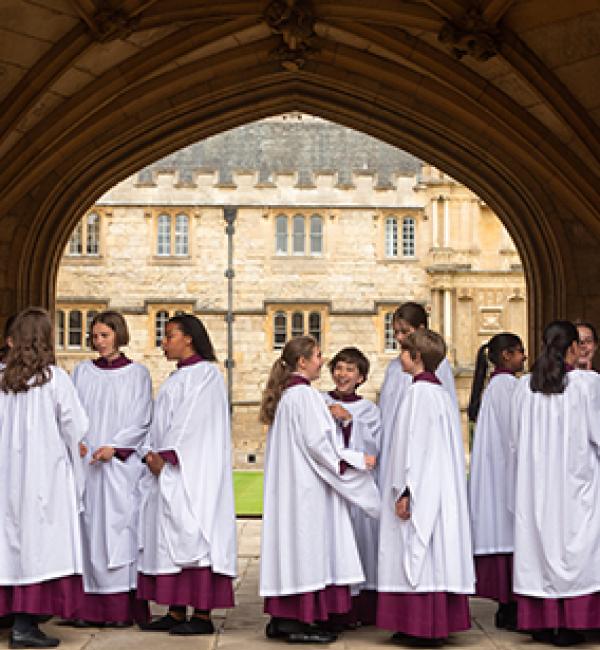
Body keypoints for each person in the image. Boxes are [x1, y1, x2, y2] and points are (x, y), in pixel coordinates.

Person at [260, 336, 380, 644]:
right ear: (303, 362)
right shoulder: (305, 396)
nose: (322, 361)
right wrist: (356, 461)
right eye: (318, 356)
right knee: (309, 549)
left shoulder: (289, 396)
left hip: (295, 487)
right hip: (307, 491)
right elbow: (320, 446)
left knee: (295, 550)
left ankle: (283, 617)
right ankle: (300, 620)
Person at [137, 314, 236, 635]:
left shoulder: (206, 375)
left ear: (189, 338)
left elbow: (194, 422)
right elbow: (160, 421)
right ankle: (176, 610)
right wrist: (151, 451)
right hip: (166, 471)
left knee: (196, 532)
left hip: (193, 472)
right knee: (169, 539)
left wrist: (166, 455)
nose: (163, 343)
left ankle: (203, 616)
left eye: (169, 336)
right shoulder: (175, 378)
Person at [377, 329, 474, 646]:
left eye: (403, 351)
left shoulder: (420, 395)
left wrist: (407, 492)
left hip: (422, 489)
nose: (399, 357)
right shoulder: (441, 395)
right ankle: (415, 623)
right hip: (437, 487)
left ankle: (421, 625)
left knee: (421, 554)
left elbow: (416, 450)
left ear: (415, 357)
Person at [0, 308, 89, 648]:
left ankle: (15, 618)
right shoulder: (55, 379)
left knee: (11, 544)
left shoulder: (2, 378)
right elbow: (77, 426)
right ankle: (25, 624)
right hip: (42, 478)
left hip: (7, 478)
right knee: (37, 548)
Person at [509, 320, 600, 646]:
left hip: (536, 484)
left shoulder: (525, 387)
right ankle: (573, 622)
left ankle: (543, 621)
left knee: (539, 545)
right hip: (575, 483)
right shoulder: (587, 385)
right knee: (576, 548)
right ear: (573, 347)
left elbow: (515, 439)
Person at [70, 311, 152, 626]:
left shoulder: (137, 374)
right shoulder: (81, 372)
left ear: (118, 334)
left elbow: (141, 418)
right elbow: (73, 412)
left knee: (120, 534)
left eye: (104, 335)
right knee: (89, 532)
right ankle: (86, 609)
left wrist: (115, 448)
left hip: (120, 468)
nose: (98, 342)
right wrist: (76, 440)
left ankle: (119, 610)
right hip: (88, 464)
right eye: (94, 336)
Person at [467, 333, 526, 631]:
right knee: (510, 539)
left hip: (498, 473)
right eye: (520, 353)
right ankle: (510, 607)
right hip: (507, 476)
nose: (524, 358)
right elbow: (515, 436)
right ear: (506, 356)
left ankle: (508, 608)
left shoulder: (495, 387)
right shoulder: (509, 388)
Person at [322, 347, 382, 626]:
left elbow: (373, 448)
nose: (342, 374)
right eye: (339, 368)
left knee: (360, 545)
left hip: (357, 489)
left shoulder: (369, 409)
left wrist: (350, 421)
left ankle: (360, 609)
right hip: (330, 486)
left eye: (350, 370)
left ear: (360, 377)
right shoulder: (319, 401)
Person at [378, 302, 458, 485]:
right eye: (395, 332)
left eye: (404, 332)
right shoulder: (393, 368)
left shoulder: (437, 366)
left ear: (420, 329)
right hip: (393, 448)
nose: (399, 338)